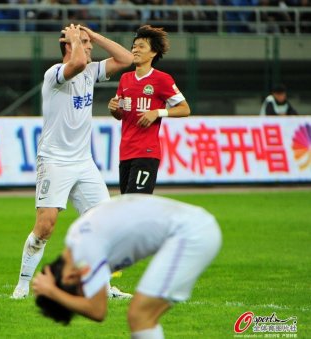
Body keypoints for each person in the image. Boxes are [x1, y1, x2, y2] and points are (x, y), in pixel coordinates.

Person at [11, 23, 134, 299]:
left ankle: (104, 286)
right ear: (69, 45)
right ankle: (22, 285)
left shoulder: (90, 71)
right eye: (85, 45)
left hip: (83, 162)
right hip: (54, 161)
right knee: (45, 226)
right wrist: (77, 40)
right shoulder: (55, 74)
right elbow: (77, 62)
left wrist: (94, 35)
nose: (90, 50)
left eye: (90, 46)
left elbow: (127, 59)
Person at [32, 194, 222, 338]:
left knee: (140, 315)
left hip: (190, 234)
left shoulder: (84, 247)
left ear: (68, 278)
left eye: (79, 292)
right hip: (193, 225)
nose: (86, 291)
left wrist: (52, 291)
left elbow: (97, 311)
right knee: (143, 317)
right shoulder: (77, 240)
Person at [108, 25, 190, 195]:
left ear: (153, 53)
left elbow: (184, 109)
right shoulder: (125, 79)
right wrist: (114, 109)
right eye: (134, 46)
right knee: (127, 202)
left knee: (135, 202)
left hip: (146, 152)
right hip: (125, 152)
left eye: (141, 46)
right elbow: (121, 114)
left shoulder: (162, 79)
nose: (135, 50)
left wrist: (158, 112)